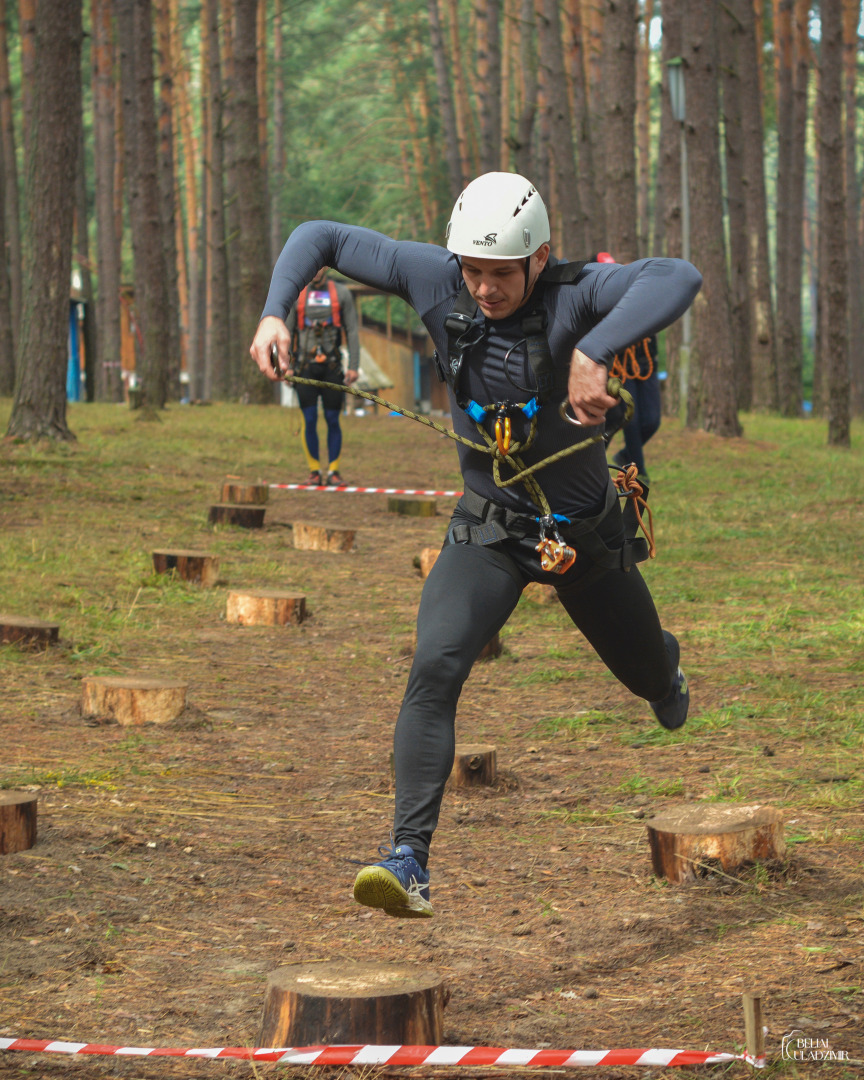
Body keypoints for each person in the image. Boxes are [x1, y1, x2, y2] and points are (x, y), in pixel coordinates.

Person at [250, 172, 702, 920]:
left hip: (584, 541)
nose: (484, 289)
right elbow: (320, 237)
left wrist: (598, 347)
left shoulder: (576, 294)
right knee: (434, 665)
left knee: (653, 685)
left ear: (540, 256)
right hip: (489, 528)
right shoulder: (438, 278)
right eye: (474, 270)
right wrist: (275, 314)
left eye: (501, 273)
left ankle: (665, 664)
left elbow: (675, 276)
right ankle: (409, 859)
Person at [286, 266, 360, 486]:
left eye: (320, 267)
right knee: (309, 419)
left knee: (332, 419)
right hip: (304, 367)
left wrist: (354, 366)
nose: (316, 271)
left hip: (332, 368)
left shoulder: (342, 294)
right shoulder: (297, 295)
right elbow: (287, 331)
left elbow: (352, 330)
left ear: (326, 267)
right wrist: (287, 366)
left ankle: (334, 472)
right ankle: (314, 471)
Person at [593, 252, 662, 479]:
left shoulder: (636, 291)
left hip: (646, 362)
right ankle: (637, 469)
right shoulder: (595, 298)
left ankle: (624, 456)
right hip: (619, 365)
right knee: (628, 419)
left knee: (652, 420)